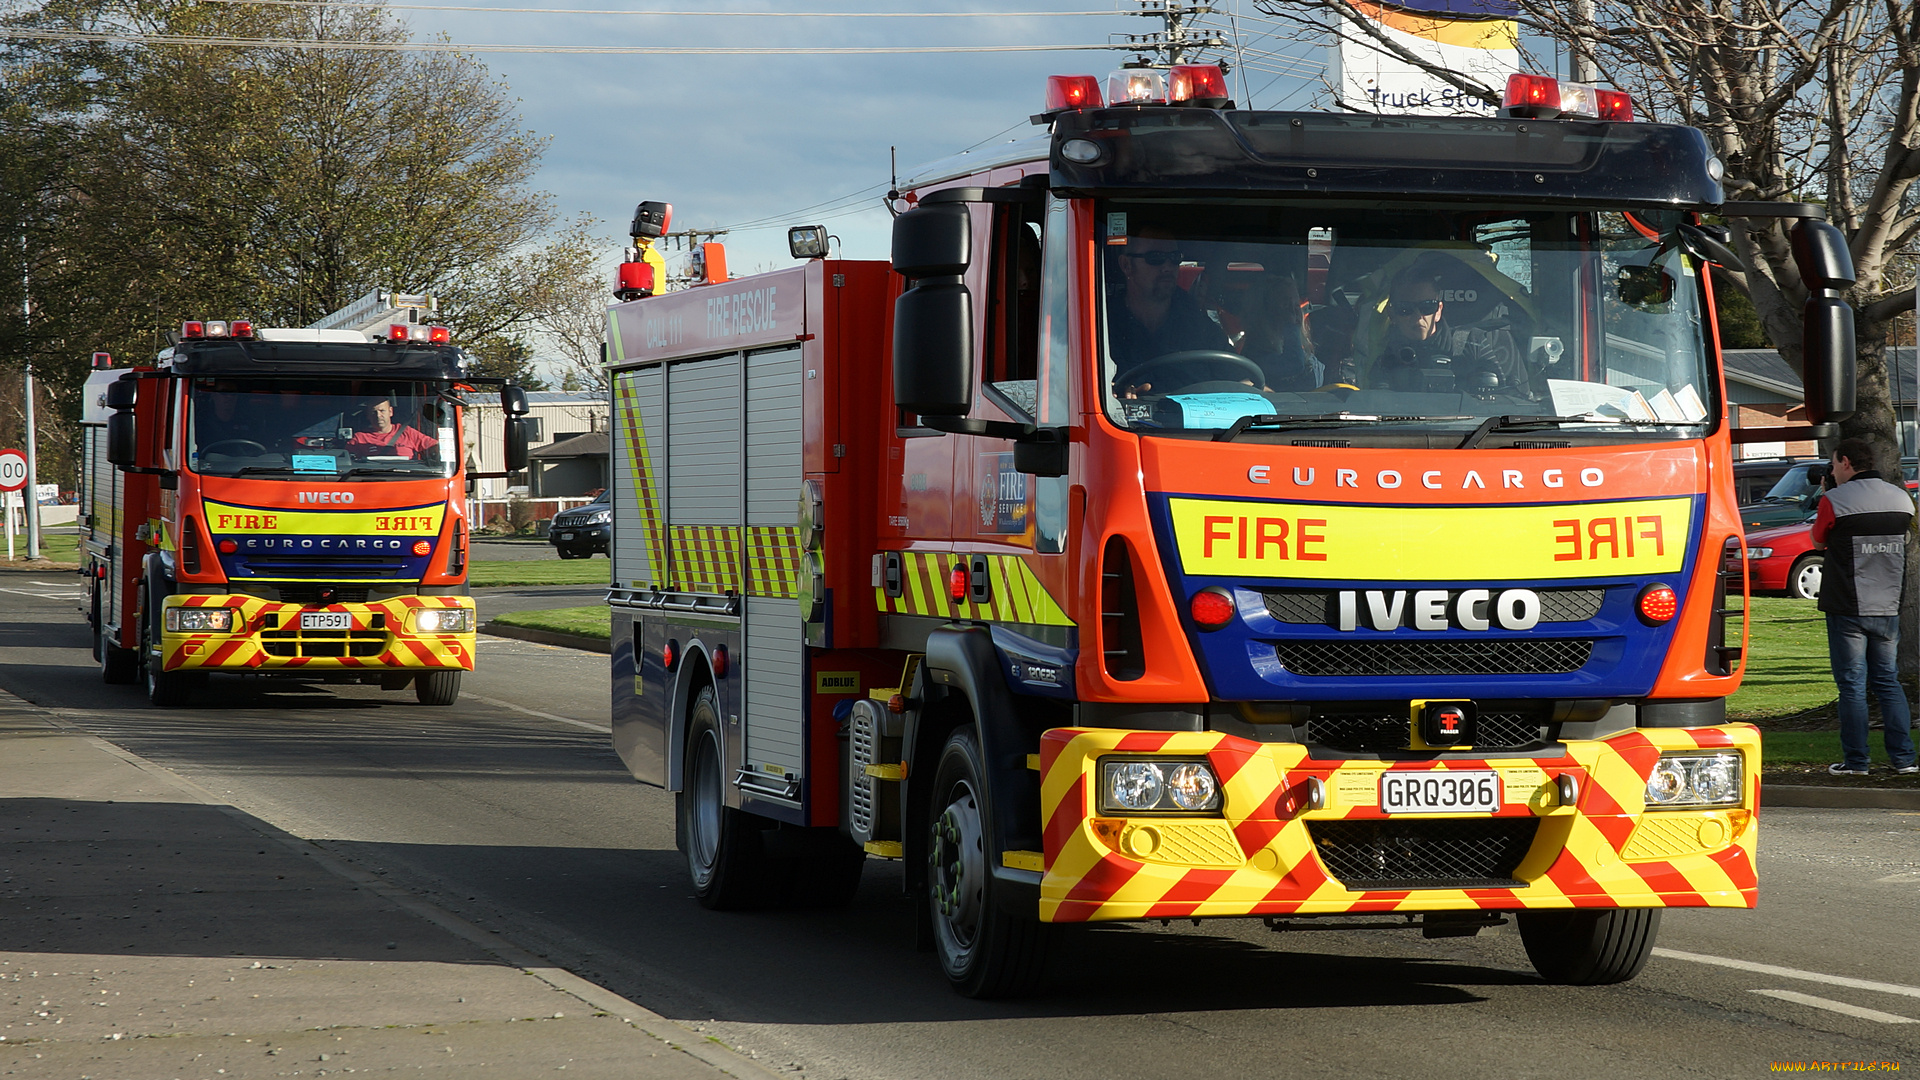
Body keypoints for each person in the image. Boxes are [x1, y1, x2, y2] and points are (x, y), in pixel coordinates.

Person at [1811, 438, 1919, 777]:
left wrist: (1825, 493)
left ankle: (1857, 762)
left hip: (1847, 606)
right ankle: (1904, 760)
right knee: (1888, 681)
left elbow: (1817, 540)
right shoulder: (1903, 499)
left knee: (1853, 686)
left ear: (1845, 462)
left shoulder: (1835, 500)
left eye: (1833, 464)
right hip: (1887, 604)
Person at [1366, 263, 1529, 398]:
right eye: (1405, 309)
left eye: (1427, 306)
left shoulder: (1471, 342)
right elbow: (1377, 406)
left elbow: (1505, 397)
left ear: (1438, 310)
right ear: (1391, 314)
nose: (1418, 317)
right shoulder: (1384, 355)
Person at [1106, 232, 1234, 396]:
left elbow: (1237, 374)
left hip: (1198, 419)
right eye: (1155, 258)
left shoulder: (1198, 325)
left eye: (1174, 257)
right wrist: (1113, 393)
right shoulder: (1101, 325)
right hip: (1121, 421)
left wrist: (1251, 387)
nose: (1167, 267)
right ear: (1126, 265)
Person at [347, 395, 437, 460]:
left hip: (407, 478)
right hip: (372, 479)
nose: (378, 415)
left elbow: (434, 446)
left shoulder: (407, 432)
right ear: (368, 415)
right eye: (373, 412)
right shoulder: (359, 438)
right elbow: (346, 461)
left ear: (390, 412)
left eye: (382, 411)